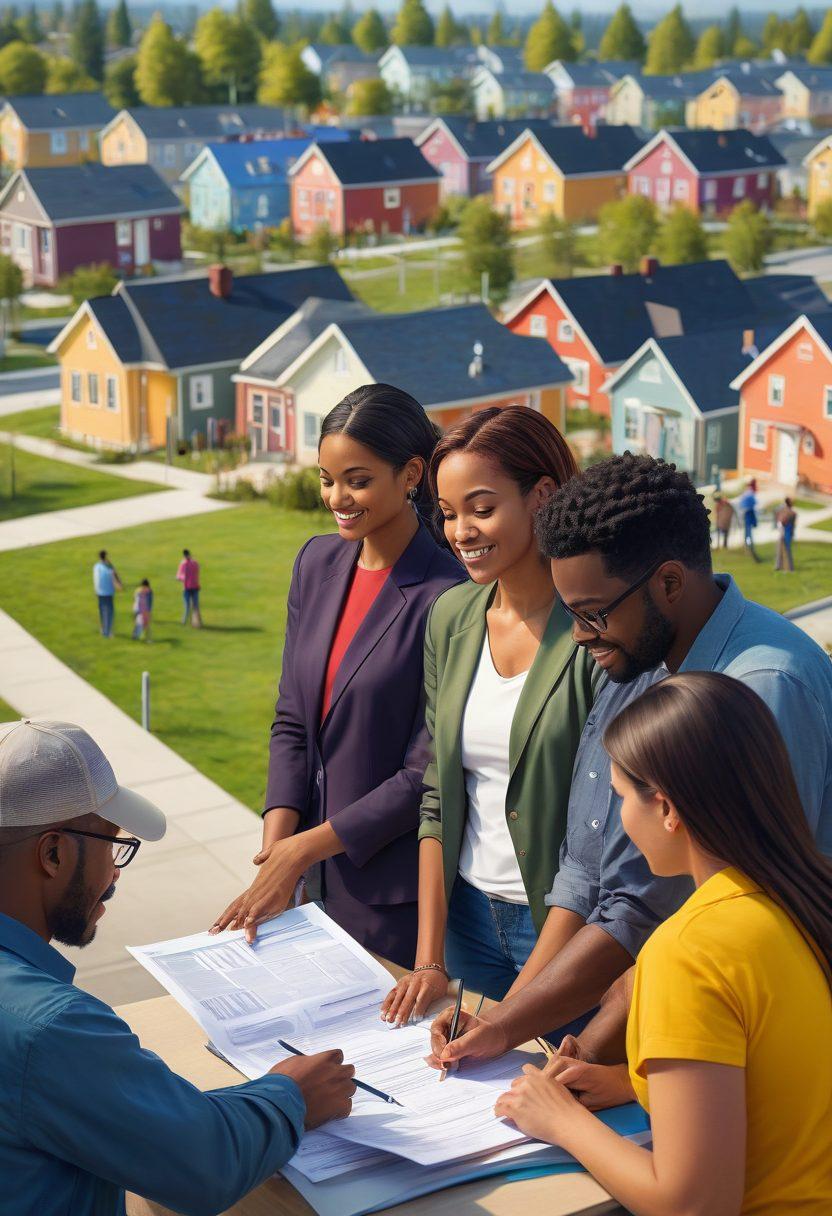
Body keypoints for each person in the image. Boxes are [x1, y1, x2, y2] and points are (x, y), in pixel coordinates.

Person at [428, 452, 832, 1068]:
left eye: (592, 614)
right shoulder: (635, 652)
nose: (581, 636)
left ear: (669, 583)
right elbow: (588, 871)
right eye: (573, 615)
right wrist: (504, 1023)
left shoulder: (766, 689)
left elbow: (722, 917)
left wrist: (589, 1061)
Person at [495, 673, 832, 1216]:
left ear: (668, 809)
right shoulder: (802, 893)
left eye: (622, 796)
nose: (621, 818)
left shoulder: (687, 952)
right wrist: (632, 1083)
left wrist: (561, 1119)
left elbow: (694, 1205)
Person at [0, 719, 356, 1216]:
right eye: (111, 844)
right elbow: (204, 1165)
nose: (115, 872)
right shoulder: (50, 1027)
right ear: (54, 853)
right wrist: (293, 1096)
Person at [210, 385, 465, 967]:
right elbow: (292, 723)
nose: (337, 497)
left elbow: (423, 776)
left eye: (357, 479)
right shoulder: (316, 563)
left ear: (410, 474)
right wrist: (275, 858)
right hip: (300, 882)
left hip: (391, 902)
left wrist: (299, 854)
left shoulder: (449, 596)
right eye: (326, 478)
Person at [381, 406, 597, 1022]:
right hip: (467, 925)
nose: (459, 532)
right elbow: (437, 795)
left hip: (563, 935)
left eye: (481, 509)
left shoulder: (593, 632)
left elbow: (603, 837)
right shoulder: (450, 619)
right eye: (447, 514)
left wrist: (511, 1014)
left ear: (542, 497)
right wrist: (429, 960)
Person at [92, 550, 122, 638]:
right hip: (108, 592)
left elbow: (96, 579)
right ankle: (107, 632)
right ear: (106, 556)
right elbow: (114, 579)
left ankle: (103, 629)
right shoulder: (109, 568)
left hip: (99, 592)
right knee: (109, 612)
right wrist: (119, 586)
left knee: (102, 611)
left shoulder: (96, 566)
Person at [176, 548, 201, 627]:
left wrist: (182, 578)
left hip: (190, 587)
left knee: (190, 606)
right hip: (191, 587)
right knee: (193, 606)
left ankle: (187, 622)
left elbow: (179, 576)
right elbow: (197, 572)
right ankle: (194, 622)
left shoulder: (186, 564)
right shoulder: (192, 563)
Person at [738, 481, 761, 562]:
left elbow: (741, 506)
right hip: (748, 520)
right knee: (748, 536)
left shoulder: (745, 496)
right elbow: (755, 505)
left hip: (747, 520)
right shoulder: (750, 496)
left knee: (747, 535)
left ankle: (748, 548)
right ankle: (749, 548)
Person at [775, 497, 797, 573]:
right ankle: (789, 568)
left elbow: (779, 520)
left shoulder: (783, 511)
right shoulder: (792, 513)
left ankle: (780, 566)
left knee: (781, 549)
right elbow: (792, 525)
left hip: (784, 531)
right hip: (786, 532)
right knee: (786, 550)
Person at [131, 577, 153, 642]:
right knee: (140, 624)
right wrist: (143, 612)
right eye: (144, 587)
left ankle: (147, 638)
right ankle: (136, 636)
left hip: (143, 610)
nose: (145, 589)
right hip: (140, 611)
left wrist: (148, 612)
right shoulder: (140, 592)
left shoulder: (148, 592)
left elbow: (149, 603)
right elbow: (139, 603)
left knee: (145, 625)